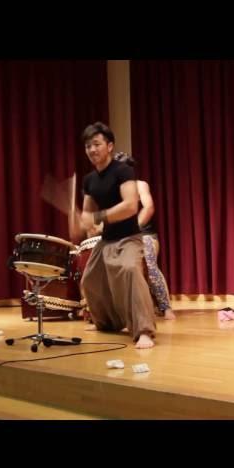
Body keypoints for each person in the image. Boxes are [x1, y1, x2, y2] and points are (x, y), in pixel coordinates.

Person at [74, 122, 157, 349]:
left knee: (130, 271)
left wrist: (98, 217)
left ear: (109, 146)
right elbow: (89, 212)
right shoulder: (89, 179)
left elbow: (131, 206)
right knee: (90, 279)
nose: (92, 150)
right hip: (107, 239)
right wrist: (86, 222)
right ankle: (108, 323)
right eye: (88, 146)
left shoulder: (123, 171)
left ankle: (144, 331)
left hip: (129, 237)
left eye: (97, 144)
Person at [114, 152, 176, 320]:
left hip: (145, 235)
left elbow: (148, 208)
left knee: (149, 263)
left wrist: (134, 228)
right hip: (122, 238)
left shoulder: (140, 185)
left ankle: (165, 307)